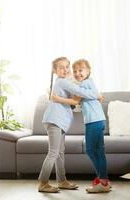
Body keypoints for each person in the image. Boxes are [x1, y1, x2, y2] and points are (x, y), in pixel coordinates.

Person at [38, 57, 101, 193]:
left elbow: (75, 100)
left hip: (59, 121)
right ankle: (43, 183)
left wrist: (73, 99)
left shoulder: (64, 81)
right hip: (54, 120)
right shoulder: (62, 82)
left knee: (59, 153)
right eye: (61, 67)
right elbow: (80, 94)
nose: (66, 69)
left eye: (67, 66)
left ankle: (62, 181)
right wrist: (96, 94)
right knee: (53, 152)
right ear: (55, 71)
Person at [52, 59, 111, 193]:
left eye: (81, 70)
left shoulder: (86, 83)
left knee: (91, 150)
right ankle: (104, 180)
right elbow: (79, 102)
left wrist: (95, 95)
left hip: (94, 121)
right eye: (75, 71)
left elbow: (81, 95)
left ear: (88, 71)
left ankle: (102, 180)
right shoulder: (86, 84)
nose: (77, 73)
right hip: (97, 120)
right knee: (99, 151)